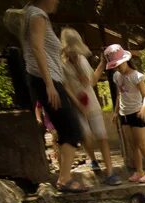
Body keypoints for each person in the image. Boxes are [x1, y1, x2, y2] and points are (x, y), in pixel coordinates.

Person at [21, 0, 88, 192]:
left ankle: (64, 177)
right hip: (46, 80)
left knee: (67, 128)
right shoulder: (37, 15)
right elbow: (37, 48)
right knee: (72, 129)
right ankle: (64, 179)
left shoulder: (30, 14)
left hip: (45, 79)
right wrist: (49, 84)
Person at [60, 28, 121, 186]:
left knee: (102, 136)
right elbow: (65, 87)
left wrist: (102, 64)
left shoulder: (82, 60)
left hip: (92, 103)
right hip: (76, 106)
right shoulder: (62, 65)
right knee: (86, 136)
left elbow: (92, 81)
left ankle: (110, 172)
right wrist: (78, 103)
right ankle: (93, 159)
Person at [106, 45, 145, 184]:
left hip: (137, 113)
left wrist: (143, 109)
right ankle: (139, 171)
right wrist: (116, 112)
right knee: (132, 145)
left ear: (126, 60)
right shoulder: (117, 76)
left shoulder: (136, 76)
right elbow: (119, 95)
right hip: (124, 114)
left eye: (119, 65)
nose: (118, 68)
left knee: (141, 143)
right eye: (115, 66)